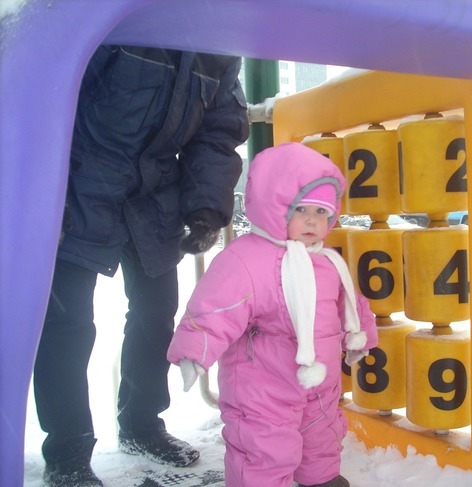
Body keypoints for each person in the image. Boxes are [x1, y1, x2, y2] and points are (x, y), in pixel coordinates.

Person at [33, 45, 249, 487]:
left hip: (154, 193)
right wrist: (44, 186)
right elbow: (50, 92)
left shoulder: (215, 50)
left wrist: (206, 208)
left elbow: (217, 132)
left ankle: (141, 423)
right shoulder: (123, 23)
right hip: (81, 183)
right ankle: (68, 451)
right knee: (67, 321)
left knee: (156, 312)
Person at [167, 142, 379, 487]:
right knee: (264, 447)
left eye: (322, 211)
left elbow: (349, 302)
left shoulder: (327, 260)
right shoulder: (247, 259)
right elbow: (215, 306)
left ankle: (320, 477)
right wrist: (195, 350)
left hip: (319, 379)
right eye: (301, 209)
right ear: (274, 204)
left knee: (321, 432)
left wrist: (361, 334)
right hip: (262, 384)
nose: (312, 220)